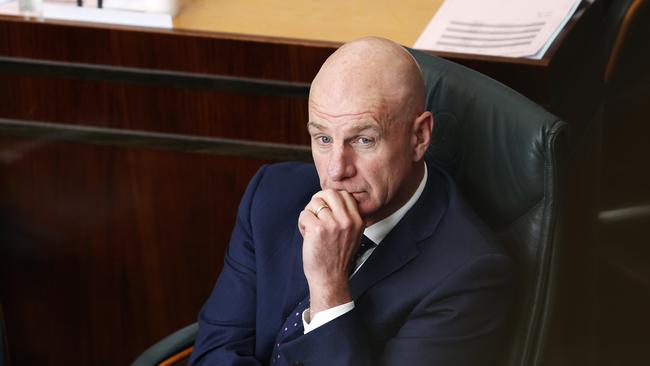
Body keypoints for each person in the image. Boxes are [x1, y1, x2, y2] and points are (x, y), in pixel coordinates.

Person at [189, 37, 513, 366]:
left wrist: (328, 288)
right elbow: (212, 355)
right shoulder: (271, 196)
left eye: (363, 139)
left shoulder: (469, 275)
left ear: (419, 137)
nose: (336, 170)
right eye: (324, 138)